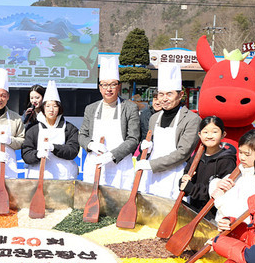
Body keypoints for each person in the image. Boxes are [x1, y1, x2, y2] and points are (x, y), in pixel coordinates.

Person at [137, 63, 201, 200]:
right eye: (161, 94)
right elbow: (152, 143)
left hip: (174, 174)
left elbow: (183, 153)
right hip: (152, 175)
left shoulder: (192, 119)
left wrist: (151, 164)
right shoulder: (154, 118)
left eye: (169, 94)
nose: (164, 99)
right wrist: (147, 148)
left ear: (180, 95)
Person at [79, 55, 140, 189]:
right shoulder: (91, 109)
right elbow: (82, 135)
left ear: (119, 86)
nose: (109, 89)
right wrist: (91, 144)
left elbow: (133, 139)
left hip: (120, 166)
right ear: (100, 87)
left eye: (113, 84)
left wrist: (112, 155)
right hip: (95, 163)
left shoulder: (130, 108)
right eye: (105, 85)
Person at [210, 129, 255, 225]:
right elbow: (215, 190)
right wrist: (217, 183)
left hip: (235, 229)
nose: (242, 158)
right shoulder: (240, 172)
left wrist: (219, 200)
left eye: (247, 154)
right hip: (221, 226)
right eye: (240, 152)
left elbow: (241, 215)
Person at [21, 80, 79, 180]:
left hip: (64, 178)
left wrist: (54, 147)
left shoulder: (70, 129)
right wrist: (37, 154)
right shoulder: (33, 130)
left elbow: (72, 151)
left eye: (55, 106)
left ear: (59, 108)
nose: (51, 110)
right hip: (37, 177)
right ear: (43, 108)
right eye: (47, 106)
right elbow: (26, 154)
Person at [178, 116, 236, 214]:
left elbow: (223, 191)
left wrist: (191, 189)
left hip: (212, 213)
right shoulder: (197, 156)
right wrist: (183, 181)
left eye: (214, 132)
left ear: (223, 134)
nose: (209, 136)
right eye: (205, 132)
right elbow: (186, 177)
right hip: (193, 208)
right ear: (199, 135)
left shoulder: (226, 160)